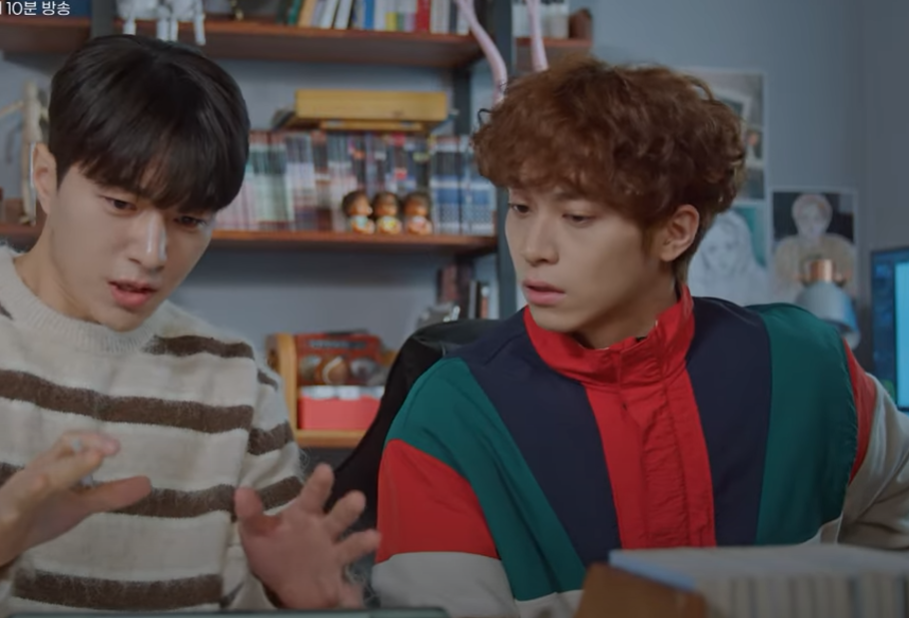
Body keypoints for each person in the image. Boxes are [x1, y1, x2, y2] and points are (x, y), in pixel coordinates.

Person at [0, 34, 379, 617]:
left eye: (189, 220)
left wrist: (288, 597)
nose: (153, 253)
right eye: (121, 204)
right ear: (46, 178)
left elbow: (266, 588)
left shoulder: (237, 382)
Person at [371, 55, 909, 618]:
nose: (533, 248)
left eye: (577, 217)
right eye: (521, 208)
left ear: (674, 232)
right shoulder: (449, 414)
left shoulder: (808, 368)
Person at [772, 192, 858, 301]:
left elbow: (854, 287)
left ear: (826, 222)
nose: (811, 225)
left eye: (817, 219)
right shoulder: (785, 249)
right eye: (805, 218)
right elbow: (775, 291)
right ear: (796, 220)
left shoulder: (842, 248)